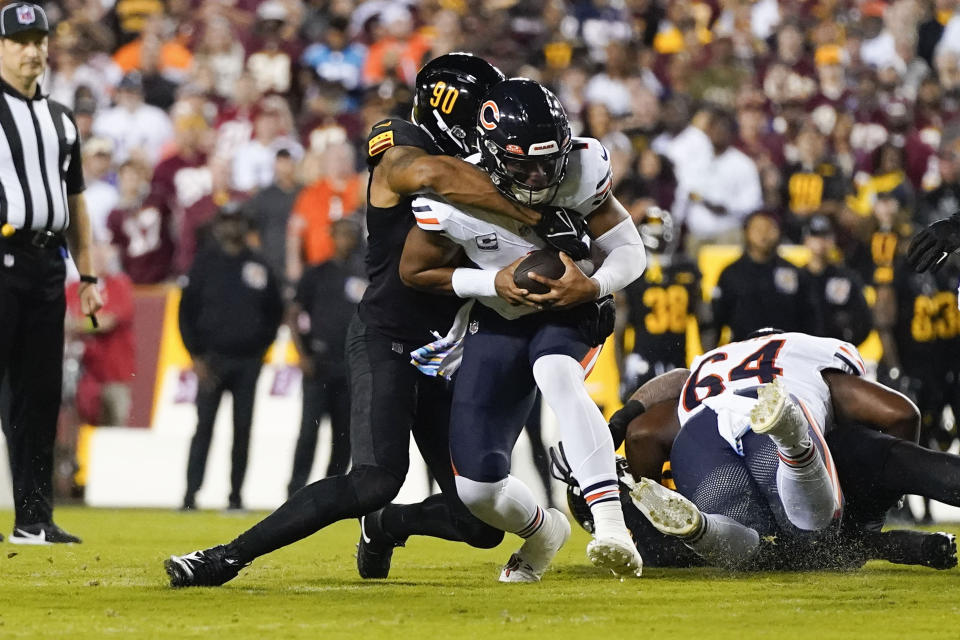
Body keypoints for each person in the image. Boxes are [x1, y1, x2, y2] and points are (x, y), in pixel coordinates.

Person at [164, 53, 553, 588]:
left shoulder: (490, 171)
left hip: (447, 351)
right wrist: (531, 213)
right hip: (388, 336)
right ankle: (225, 557)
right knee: (374, 478)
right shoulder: (402, 140)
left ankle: (388, 527)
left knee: (478, 518)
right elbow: (424, 173)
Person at [397, 79, 647, 581]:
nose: (537, 175)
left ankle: (613, 524)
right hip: (498, 316)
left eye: (545, 161)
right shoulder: (457, 190)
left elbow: (631, 250)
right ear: (489, 153)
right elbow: (415, 272)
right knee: (477, 489)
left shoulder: (582, 169)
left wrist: (593, 286)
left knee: (558, 373)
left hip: (568, 310)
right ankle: (542, 532)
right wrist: (493, 280)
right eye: (521, 163)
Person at [0, 3, 102, 544]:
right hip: (2, 256)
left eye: (39, 39)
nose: (32, 49)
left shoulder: (62, 119)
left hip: (46, 265)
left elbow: (77, 203)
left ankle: (33, 519)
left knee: (39, 394)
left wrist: (88, 276)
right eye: (20, 40)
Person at [177, 204, 284, 511]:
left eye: (236, 221)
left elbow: (274, 313)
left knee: (242, 430)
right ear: (218, 225)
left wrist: (262, 350)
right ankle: (190, 495)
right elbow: (185, 312)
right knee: (204, 428)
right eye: (226, 221)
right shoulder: (204, 262)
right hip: (211, 359)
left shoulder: (259, 264)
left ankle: (235, 496)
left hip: (248, 362)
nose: (231, 228)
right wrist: (195, 355)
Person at [287, 218, 366, 497]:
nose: (347, 239)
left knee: (344, 436)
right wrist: (302, 354)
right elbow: (293, 313)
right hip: (318, 364)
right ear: (332, 235)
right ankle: (295, 491)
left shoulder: (367, 273)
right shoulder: (316, 273)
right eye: (342, 233)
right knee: (308, 432)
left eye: (351, 233)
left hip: (350, 366)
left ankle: (329, 494)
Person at [615, 207, 701, 400]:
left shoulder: (687, 269)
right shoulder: (634, 272)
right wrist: (622, 376)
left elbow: (705, 323)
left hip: (675, 362)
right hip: (645, 364)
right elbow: (619, 333)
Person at [710, 211, 820, 345]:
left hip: (786, 352)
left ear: (779, 231)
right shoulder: (731, 273)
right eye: (758, 229)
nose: (764, 234)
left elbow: (810, 318)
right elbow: (715, 319)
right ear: (746, 232)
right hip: (743, 351)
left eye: (769, 228)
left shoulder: (794, 273)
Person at [802, 215, 872, 346]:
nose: (820, 242)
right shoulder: (798, 278)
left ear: (833, 240)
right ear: (806, 240)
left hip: (835, 353)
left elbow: (864, 320)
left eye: (825, 236)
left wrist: (847, 344)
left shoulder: (846, 278)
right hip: (804, 353)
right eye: (815, 236)